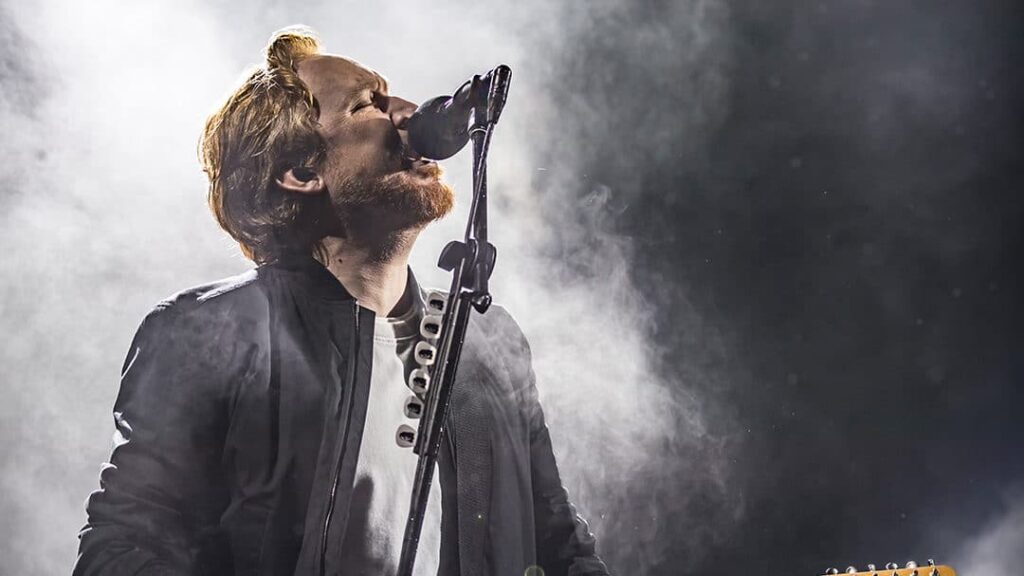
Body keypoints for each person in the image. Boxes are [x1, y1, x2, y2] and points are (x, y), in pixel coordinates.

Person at [73, 26, 609, 576]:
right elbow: (121, 552)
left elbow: (559, 544)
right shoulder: (206, 334)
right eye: (366, 104)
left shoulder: (488, 340)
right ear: (302, 172)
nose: (408, 114)